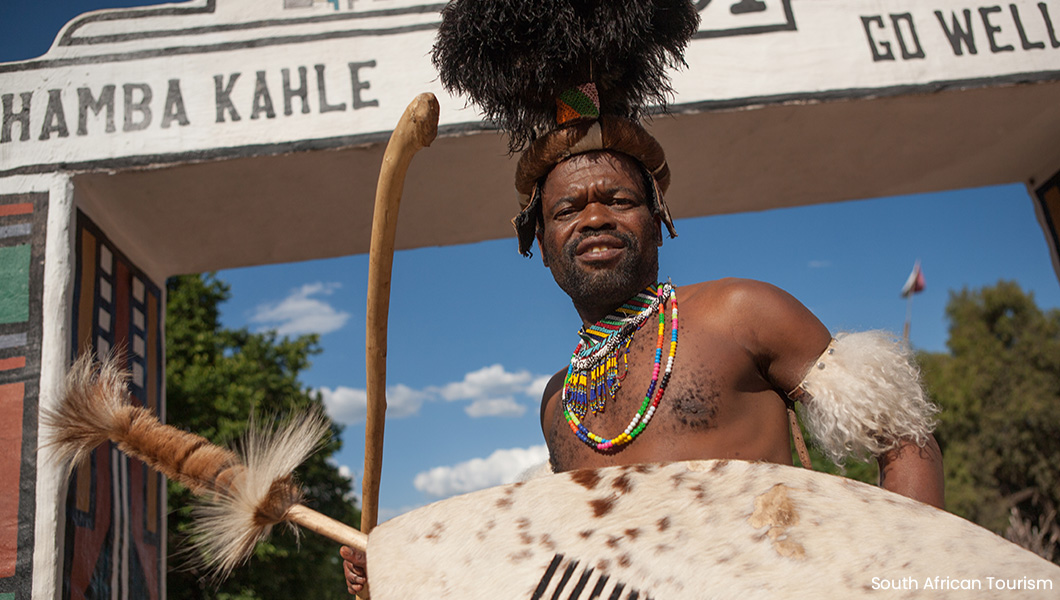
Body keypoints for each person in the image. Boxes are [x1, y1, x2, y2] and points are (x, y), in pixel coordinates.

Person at [343, 1, 943, 594]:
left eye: (620, 200)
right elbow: (562, 568)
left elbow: (906, 444)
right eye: (567, 209)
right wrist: (399, 570)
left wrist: (904, 579)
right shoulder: (559, 404)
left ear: (659, 222)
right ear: (541, 246)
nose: (595, 217)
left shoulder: (743, 313)